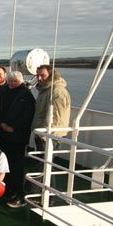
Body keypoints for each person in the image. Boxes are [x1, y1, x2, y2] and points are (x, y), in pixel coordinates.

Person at [30, 64, 71, 195]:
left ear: (51, 75)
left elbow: (57, 120)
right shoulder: (46, 90)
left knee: (46, 165)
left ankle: (48, 197)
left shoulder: (57, 92)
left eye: (42, 75)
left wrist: (45, 136)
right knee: (44, 164)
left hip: (49, 137)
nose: (39, 78)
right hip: (41, 134)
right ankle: (41, 194)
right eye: (38, 75)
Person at [0, 71, 36, 208]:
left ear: (20, 81)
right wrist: (2, 124)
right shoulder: (5, 92)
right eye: (11, 81)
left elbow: (27, 116)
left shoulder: (26, 95)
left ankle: (20, 195)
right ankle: (10, 190)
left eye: (15, 81)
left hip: (18, 137)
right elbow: (0, 110)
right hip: (5, 135)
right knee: (7, 164)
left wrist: (13, 128)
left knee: (18, 166)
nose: (12, 83)